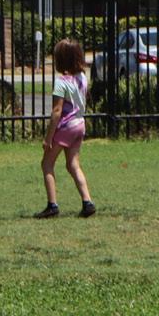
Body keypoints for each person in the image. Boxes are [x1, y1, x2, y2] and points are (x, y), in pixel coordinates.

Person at [37, 38, 95, 219]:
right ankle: (87, 201)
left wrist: (48, 138)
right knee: (73, 164)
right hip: (79, 124)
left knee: (47, 164)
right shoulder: (82, 78)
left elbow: (57, 111)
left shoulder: (61, 82)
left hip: (65, 127)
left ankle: (52, 205)